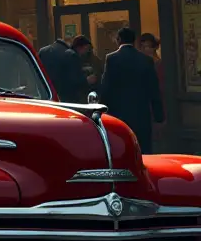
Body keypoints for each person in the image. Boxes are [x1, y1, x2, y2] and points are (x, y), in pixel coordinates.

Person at [100, 26, 164, 154]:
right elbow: (153, 88)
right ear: (134, 41)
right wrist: (159, 115)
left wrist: (102, 111)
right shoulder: (145, 60)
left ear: (118, 40)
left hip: (118, 113)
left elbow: (106, 86)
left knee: (122, 147)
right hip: (141, 112)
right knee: (143, 149)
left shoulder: (111, 58)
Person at [38, 37, 87, 103]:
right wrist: (86, 80)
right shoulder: (70, 54)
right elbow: (73, 79)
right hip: (65, 97)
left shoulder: (43, 51)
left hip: (45, 94)